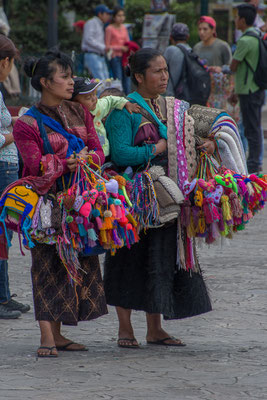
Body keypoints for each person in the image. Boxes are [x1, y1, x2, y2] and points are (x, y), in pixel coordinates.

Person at [104, 48, 213, 349]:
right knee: (127, 259)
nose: (164, 76)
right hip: (132, 195)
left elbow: (180, 139)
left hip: (164, 195)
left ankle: (155, 328)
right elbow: (121, 152)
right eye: (157, 71)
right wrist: (155, 150)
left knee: (159, 259)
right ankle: (125, 329)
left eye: (166, 70)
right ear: (139, 76)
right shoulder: (124, 109)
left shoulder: (164, 107)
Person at [13, 50, 108, 357]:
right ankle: (46, 336)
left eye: (70, 76)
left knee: (73, 266)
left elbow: (98, 152)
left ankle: (60, 334)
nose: (71, 82)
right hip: (46, 205)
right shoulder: (26, 123)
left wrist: (86, 159)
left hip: (79, 203)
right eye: (64, 76)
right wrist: (65, 163)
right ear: (44, 82)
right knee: (45, 267)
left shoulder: (80, 112)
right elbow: (32, 165)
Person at [0, 34, 30, 319]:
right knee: (1, 234)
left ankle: (4, 294)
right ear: (5, 61)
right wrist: (14, 132)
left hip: (5, 166)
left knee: (4, 234)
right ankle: (1, 298)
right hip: (2, 166)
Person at [229, 3, 265, 174]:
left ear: (242, 20)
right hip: (257, 88)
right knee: (255, 126)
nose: (235, 20)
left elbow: (234, 66)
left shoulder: (244, 40)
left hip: (248, 91)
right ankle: (255, 161)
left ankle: (252, 164)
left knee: (251, 129)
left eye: (237, 17)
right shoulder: (258, 35)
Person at [71, 77, 140, 157]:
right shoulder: (71, 117)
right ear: (74, 102)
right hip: (86, 157)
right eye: (88, 98)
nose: (94, 99)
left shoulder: (98, 106)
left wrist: (126, 103)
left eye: (94, 94)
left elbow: (110, 100)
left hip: (105, 153)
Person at [81, 4, 112, 80]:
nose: (108, 16)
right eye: (106, 14)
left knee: (105, 80)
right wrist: (104, 47)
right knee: (100, 81)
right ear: (100, 14)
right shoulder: (91, 22)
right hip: (92, 55)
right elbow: (88, 39)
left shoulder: (100, 24)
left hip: (99, 55)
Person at [105, 6, 131, 94]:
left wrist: (128, 48)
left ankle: (128, 99)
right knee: (118, 79)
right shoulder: (109, 29)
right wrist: (120, 47)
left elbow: (128, 42)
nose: (121, 18)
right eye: (119, 16)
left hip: (125, 58)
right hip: (115, 57)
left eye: (123, 15)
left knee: (127, 78)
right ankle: (119, 99)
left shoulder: (124, 28)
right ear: (114, 17)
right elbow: (107, 46)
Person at [164, 23, 191, 97]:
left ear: (171, 37)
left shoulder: (170, 50)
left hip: (172, 95)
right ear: (187, 37)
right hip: (188, 96)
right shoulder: (191, 51)